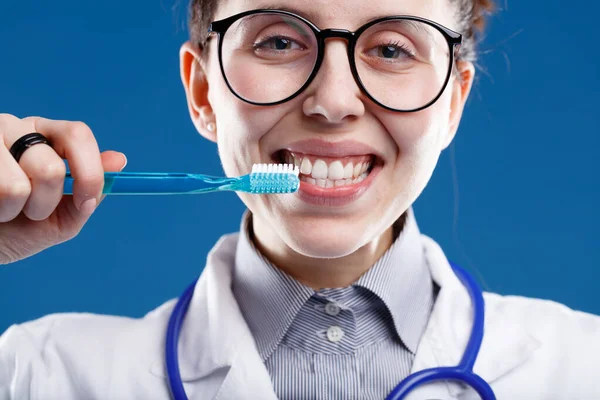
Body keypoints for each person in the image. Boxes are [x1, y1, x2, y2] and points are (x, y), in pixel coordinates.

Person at [0, 0, 599, 399]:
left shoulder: (583, 369)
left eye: (391, 50)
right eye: (280, 42)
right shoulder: (38, 374)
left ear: (452, 104)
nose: (333, 101)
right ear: (204, 91)